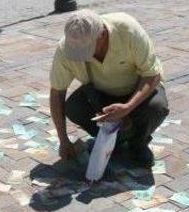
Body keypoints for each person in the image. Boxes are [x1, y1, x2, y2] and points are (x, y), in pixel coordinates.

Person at [49, 10, 168, 168]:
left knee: (157, 106)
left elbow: (152, 75)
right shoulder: (67, 47)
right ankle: (114, 140)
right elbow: (57, 92)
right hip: (101, 93)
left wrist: (128, 107)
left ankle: (138, 143)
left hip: (136, 90)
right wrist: (63, 140)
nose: (83, 57)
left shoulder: (128, 30)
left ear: (103, 34)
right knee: (74, 107)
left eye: (87, 50)